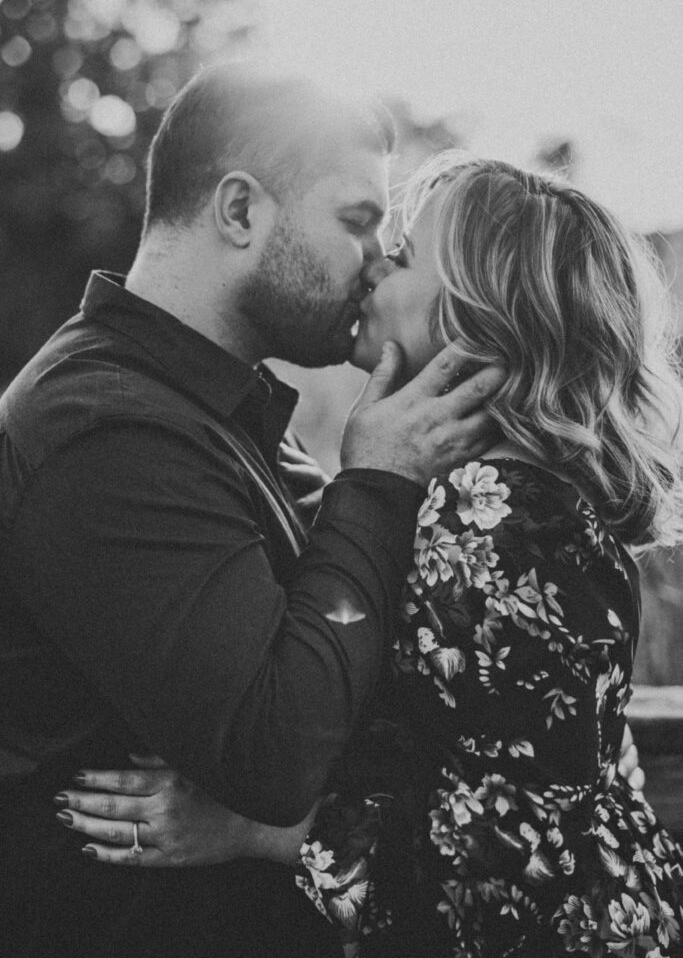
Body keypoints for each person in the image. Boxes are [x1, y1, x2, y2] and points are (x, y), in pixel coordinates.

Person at [61, 154, 683, 957]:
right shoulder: (499, 496)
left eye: (407, 254)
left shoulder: (494, 513)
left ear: (477, 317)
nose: (375, 264)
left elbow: (529, 848)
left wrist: (261, 831)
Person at [0, 68, 504, 958]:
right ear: (239, 212)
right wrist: (379, 483)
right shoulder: (105, 432)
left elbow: (351, 682)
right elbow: (275, 752)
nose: (379, 262)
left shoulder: (223, 413)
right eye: (357, 221)